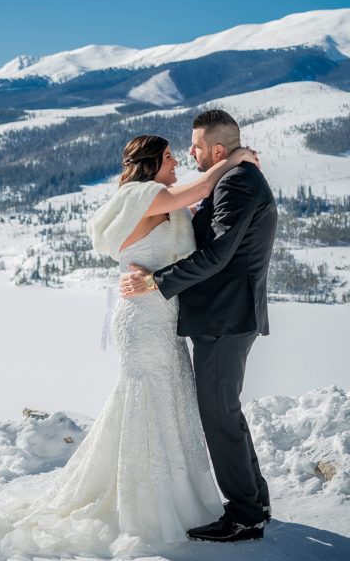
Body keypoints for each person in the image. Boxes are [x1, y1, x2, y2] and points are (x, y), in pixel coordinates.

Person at [0, 134, 258, 558]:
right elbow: (203, 188)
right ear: (151, 163)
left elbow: (189, 217)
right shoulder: (146, 194)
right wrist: (238, 158)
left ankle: (171, 495)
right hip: (145, 322)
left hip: (158, 317)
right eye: (171, 157)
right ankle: (145, 506)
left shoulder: (151, 200)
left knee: (164, 402)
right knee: (147, 402)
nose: (177, 164)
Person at [120, 110, 276, 542]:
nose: (190, 152)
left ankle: (244, 515)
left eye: (196, 147)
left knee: (219, 417)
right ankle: (255, 501)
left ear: (217, 150)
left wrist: (155, 281)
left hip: (225, 318)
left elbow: (218, 256)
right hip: (224, 316)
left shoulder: (238, 183)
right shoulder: (232, 177)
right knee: (226, 413)